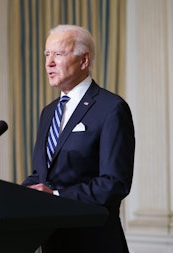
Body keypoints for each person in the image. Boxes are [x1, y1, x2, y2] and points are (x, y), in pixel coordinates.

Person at [22, 24, 135, 252]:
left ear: (84, 60)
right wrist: (17, 195)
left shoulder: (111, 108)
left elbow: (114, 183)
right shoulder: (48, 112)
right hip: (53, 242)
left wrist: (56, 195)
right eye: (47, 54)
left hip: (94, 242)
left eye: (58, 54)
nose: (49, 62)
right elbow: (41, 174)